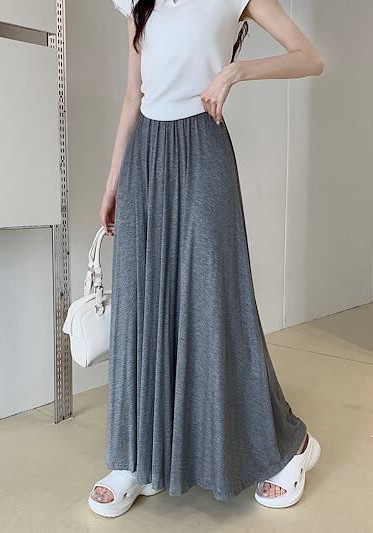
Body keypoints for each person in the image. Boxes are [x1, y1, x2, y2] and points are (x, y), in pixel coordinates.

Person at [88, 0, 324, 517]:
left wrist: (235, 71)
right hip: (145, 156)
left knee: (215, 304)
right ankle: (137, 457)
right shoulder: (138, 3)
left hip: (202, 147)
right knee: (141, 304)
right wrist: (113, 181)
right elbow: (133, 95)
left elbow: (310, 58)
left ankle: (291, 446)